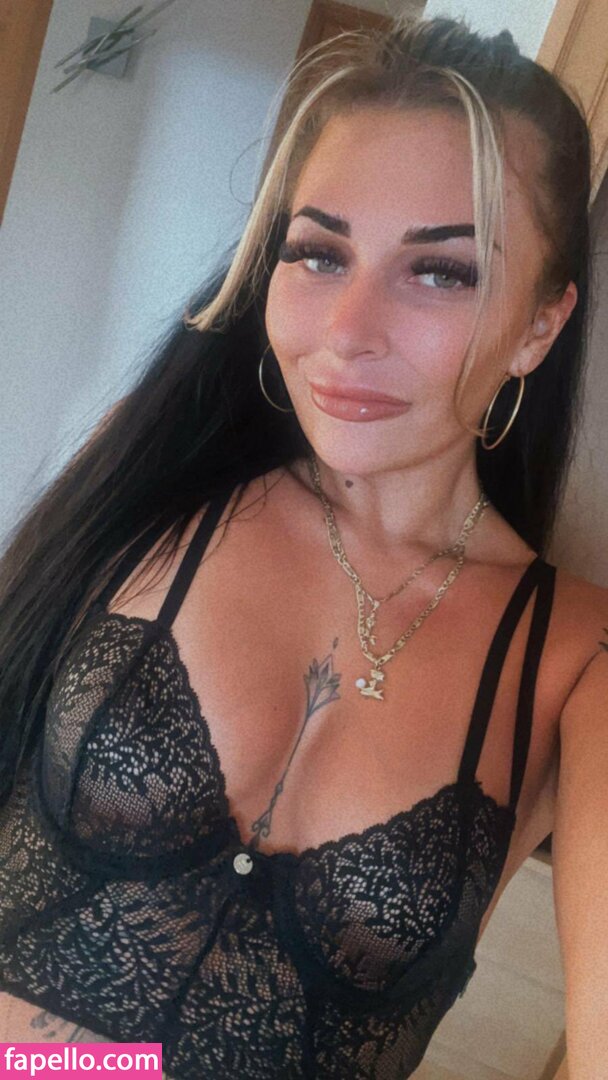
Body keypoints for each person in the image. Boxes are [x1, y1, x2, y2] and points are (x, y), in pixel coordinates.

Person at [0, 11, 606, 1079]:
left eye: (441, 271)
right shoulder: (162, 477)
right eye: (319, 253)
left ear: (538, 327)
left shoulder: (574, 660)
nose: (346, 331)